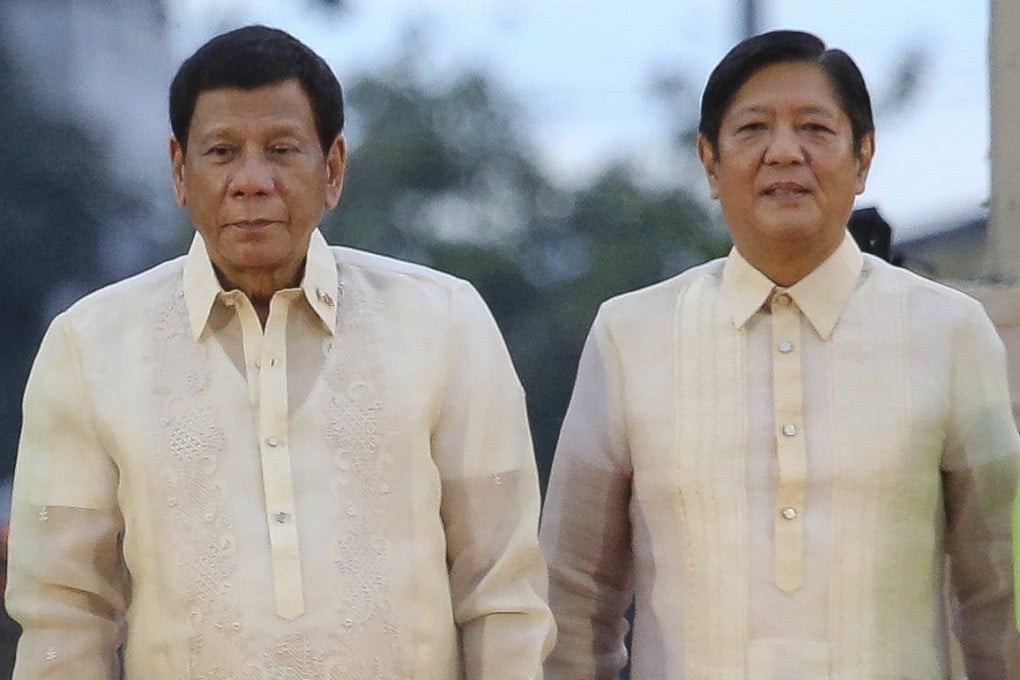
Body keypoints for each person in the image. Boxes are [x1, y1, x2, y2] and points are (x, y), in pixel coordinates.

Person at [6, 24, 554, 678]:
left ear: (334, 169)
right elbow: (64, 610)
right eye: (222, 151)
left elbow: (502, 590)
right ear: (180, 171)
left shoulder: (442, 321)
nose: (251, 180)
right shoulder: (88, 346)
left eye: (282, 148)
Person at [540, 29, 1020, 678]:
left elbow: (1003, 599)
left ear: (864, 157)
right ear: (709, 163)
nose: (784, 153)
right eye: (753, 129)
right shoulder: (630, 336)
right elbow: (573, 601)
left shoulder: (952, 332)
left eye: (816, 128)